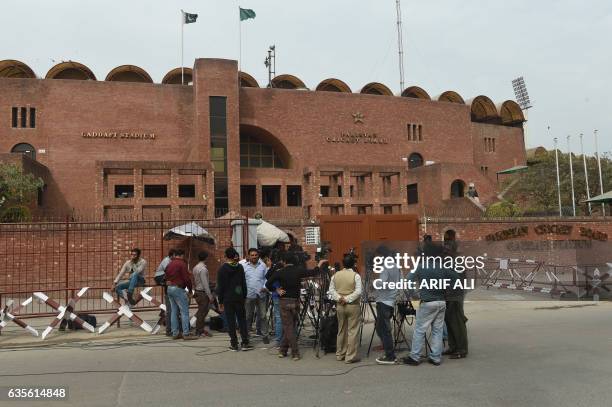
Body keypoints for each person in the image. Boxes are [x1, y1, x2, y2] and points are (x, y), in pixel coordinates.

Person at [265, 252, 328, 361]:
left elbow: (267, 283)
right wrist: (320, 263)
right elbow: (313, 272)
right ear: (295, 261)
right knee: (290, 326)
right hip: (295, 301)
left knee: (289, 326)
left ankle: (291, 351)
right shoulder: (298, 270)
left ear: (284, 262)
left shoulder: (280, 272)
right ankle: (285, 350)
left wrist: (277, 290)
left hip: (284, 301)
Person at [403, 241, 448, 366]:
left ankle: (415, 356)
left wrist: (414, 296)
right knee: (437, 331)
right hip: (441, 302)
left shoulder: (421, 266)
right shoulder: (443, 266)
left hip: (427, 302)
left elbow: (408, 281)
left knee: (420, 330)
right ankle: (436, 357)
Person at [216, 247, 253, 351]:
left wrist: (220, 301)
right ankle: (245, 342)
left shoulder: (222, 269)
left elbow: (220, 287)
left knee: (231, 321)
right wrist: (244, 296)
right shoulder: (240, 267)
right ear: (235, 256)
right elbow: (243, 283)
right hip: (239, 297)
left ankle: (234, 343)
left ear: (226, 256)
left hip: (228, 298)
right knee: (242, 320)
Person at [328, 254, 362, 364]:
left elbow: (331, 290)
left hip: (340, 305)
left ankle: (340, 354)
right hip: (352, 305)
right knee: (353, 331)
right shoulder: (356, 276)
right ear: (353, 264)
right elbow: (358, 291)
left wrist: (340, 298)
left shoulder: (335, 275)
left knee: (341, 329)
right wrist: (347, 299)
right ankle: (350, 356)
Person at [373, 245, 402, 365]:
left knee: (384, 329)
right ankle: (387, 349)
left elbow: (383, 283)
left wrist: (375, 284)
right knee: (381, 326)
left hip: (384, 300)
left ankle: (390, 355)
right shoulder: (396, 265)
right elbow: (400, 281)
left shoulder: (386, 266)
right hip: (391, 299)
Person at [443, 232, 468, 359]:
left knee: (457, 322)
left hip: (455, 296)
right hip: (448, 296)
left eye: (447, 249)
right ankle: (453, 346)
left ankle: (461, 349)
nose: (445, 251)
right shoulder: (448, 260)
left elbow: (460, 278)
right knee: (449, 321)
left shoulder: (457, 260)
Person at [164, 249, 198, 341]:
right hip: (178, 288)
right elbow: (187, 279)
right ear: (182, 255)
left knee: (174, 311)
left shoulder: (170, 263)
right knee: (184, 311)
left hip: (170, 288)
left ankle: (175, 333)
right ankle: (186, 333)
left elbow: (166, 276)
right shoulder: (182, 264)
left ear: (175, 255)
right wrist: (190, 290)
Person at [241, 248, 270, 344]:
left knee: (263, 316)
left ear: (258, 256)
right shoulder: (244, 266)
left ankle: (265, 335)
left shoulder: (263, 266)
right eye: (252, 255)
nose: (254, 257)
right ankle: (247, 336)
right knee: (248, 316)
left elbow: (267, 278)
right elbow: (241, 281)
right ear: (248, 256)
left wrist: (265, 286)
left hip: (261, 294)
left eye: (255, 255)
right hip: (249, 295)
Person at [264, 255, 284, 347]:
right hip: (283, 295)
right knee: (285, 318)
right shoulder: (280, 268)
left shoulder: (272, 269)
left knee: (278, 318)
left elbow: (267, 278)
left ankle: (279, 340)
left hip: (276, 295)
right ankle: (283, 339)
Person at [192, 251, 214, 337]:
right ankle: (199, 330)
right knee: (202, 312)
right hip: (202, 293)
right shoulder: (203, 269)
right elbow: (205, 284)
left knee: (202, 311)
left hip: (198, 291)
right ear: (206, 258)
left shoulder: (195, 267)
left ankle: (200, 329)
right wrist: (210, 296)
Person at [154, 248, 176, 336]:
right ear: (171, 255)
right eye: (174, 255)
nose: (175, 257)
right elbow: (168, 272)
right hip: (160, 277)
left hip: (164, 277)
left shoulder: (171, 260)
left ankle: (163, 310)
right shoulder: (167, 260)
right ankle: (164, 309)